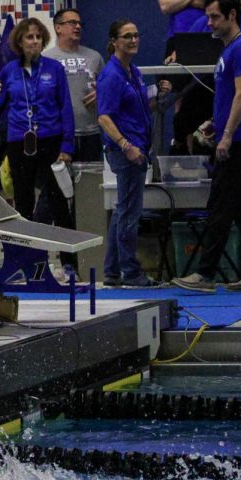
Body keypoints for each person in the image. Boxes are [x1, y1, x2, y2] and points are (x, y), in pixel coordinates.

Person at [0, 18, 76, 244]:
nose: (35, 41)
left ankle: (69, 264)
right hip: (19, 142)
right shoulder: (9, 71)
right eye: (29, 37)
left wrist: (67, 145)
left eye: (38, 37)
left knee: (58, 201)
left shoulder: (55, 69)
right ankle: (27, 260)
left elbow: (66, 107)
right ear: (20, 42)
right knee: (23, 203)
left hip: (50, 141)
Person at [175, 0, 241, 292]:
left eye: (215, 16)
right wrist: (216, 123)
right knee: (240, 211)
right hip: (232, 135)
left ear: (231, 16)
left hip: (238, 142)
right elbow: (230, 97)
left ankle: (206, 273)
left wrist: (227, 135)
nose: (209, 22)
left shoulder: (240, 49)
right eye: (208, 16)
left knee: (219, 208)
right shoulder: (226, 51)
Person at [97, 20, 162, 287]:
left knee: (123, 209)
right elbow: (104, 117)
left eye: (136, 35)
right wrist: (126, 145)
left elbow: (137, 108)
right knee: (129, 213)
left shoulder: (132, 71)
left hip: (136, 146)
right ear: (114, 41)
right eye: (127, 37)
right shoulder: (112, 74)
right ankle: (130, 272)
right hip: (126, 151)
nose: (133, 40)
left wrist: (160, 97)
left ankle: (112, 271)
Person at [157, 0, 230, 153]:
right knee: (177, 96)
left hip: (207, 37)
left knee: (206, 89)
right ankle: (183, 154)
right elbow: (165, 6)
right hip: (177, 39)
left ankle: (208, 146)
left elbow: (210, 1)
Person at [45, 7, 104, 164]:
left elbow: (110, 89)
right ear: (58, 28)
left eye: (79, 23)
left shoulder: (94, 57)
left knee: (91, 184)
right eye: (72, 22)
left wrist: (101, 93)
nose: (78, 26)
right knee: (60, 186)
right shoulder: (45, 59)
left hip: (90, 132)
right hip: (58, 134)